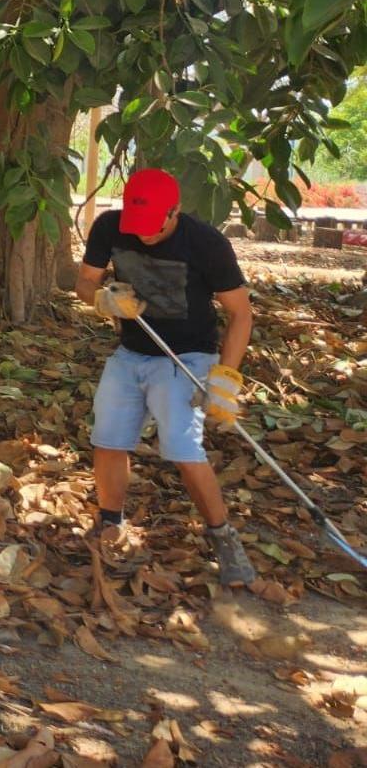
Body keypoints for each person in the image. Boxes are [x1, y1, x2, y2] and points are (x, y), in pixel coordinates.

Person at [76, 168, 256, 586]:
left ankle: (223, 537)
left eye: (153, 227)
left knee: (180, 445)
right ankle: (109, 521)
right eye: (135, 228)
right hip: (131, 353)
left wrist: (226, 378)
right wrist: (103, 299)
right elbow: (84, 283)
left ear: (174, 212)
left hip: (188, 356)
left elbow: (241, 313)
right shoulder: (109, 227)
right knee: (108, 437)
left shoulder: (207, 243)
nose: (143, 236)